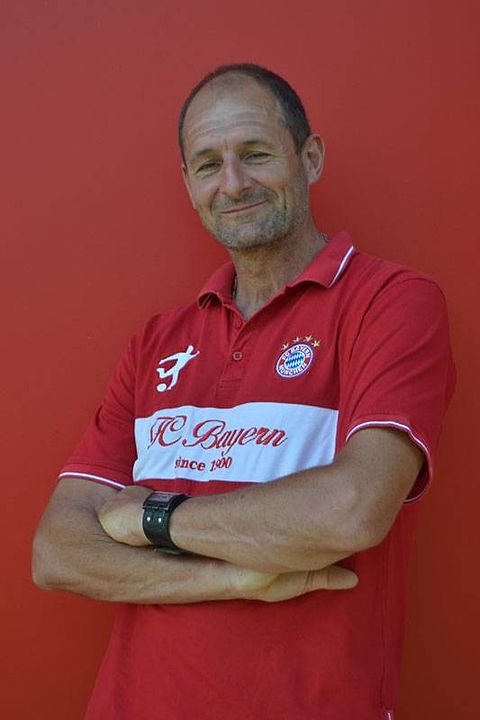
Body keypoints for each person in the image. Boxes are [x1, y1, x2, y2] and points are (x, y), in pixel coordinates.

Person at [32, 63, 455, 720]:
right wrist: (236, 577)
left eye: (255, 154)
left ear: (310, 159)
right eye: (208, 164)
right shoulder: (157, 340)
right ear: (188, 184)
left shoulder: (390, 303)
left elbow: (353, 510)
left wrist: (153, 518)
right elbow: (57, 552)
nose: (232, 183)